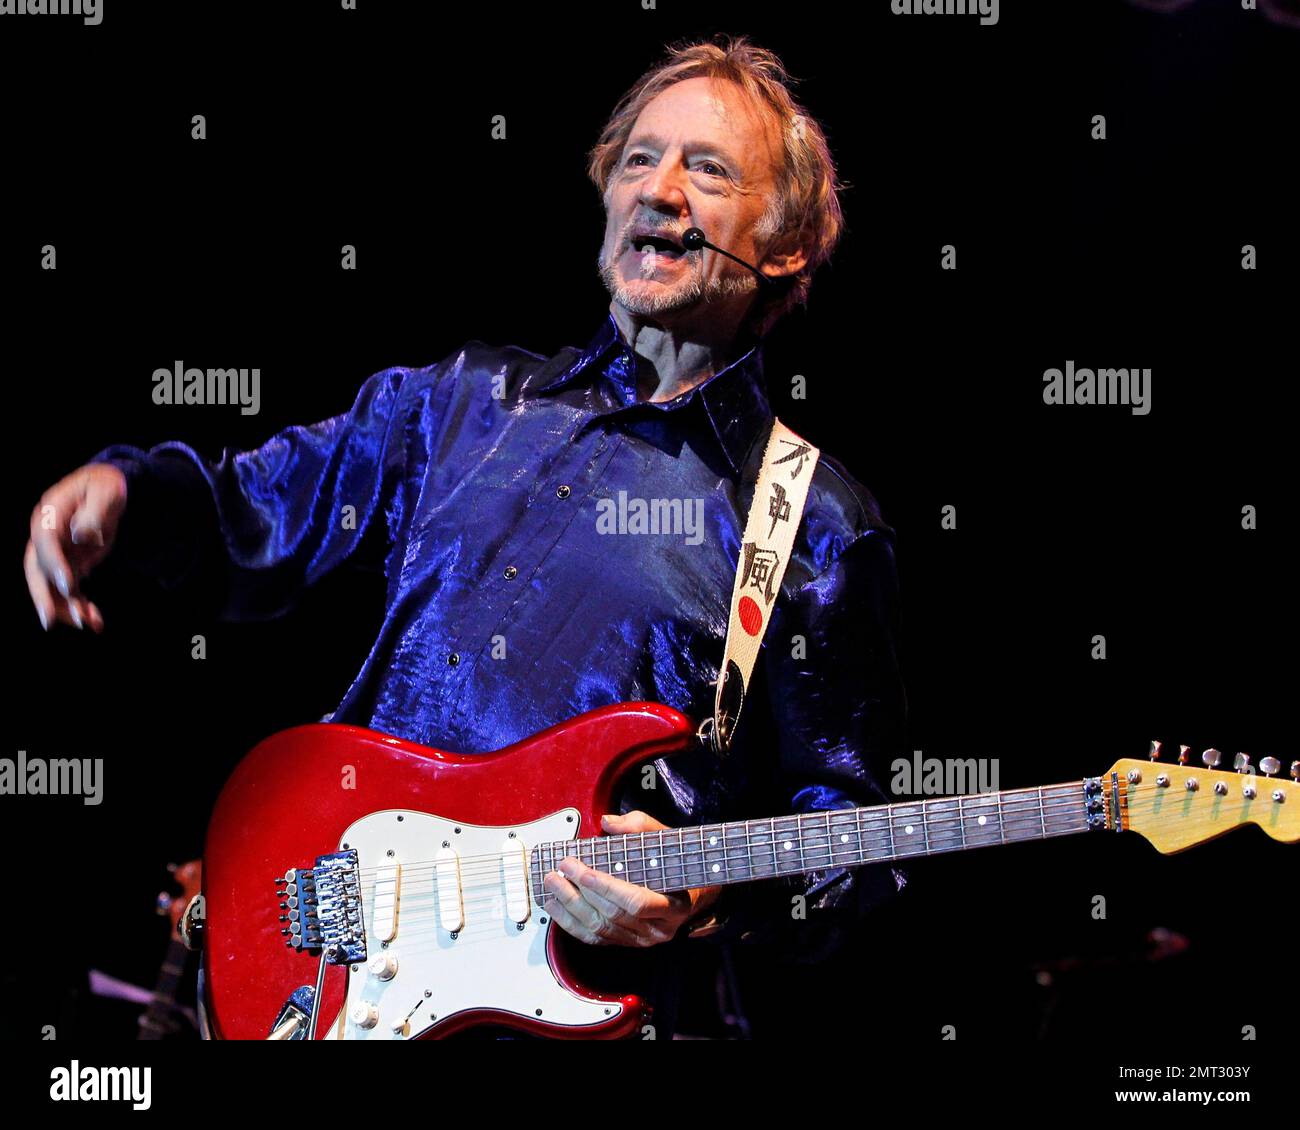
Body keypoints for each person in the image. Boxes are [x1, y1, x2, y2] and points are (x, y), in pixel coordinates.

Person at [23, 35, 907, 1038]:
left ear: (786, 245)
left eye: (706, 169)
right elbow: (255, 509)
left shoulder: (816, 521)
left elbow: (850, 850)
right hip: (348, 970)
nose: (658, 189)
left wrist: (707, 898)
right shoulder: (459, 404)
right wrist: (128, 491)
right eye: (636, 160)